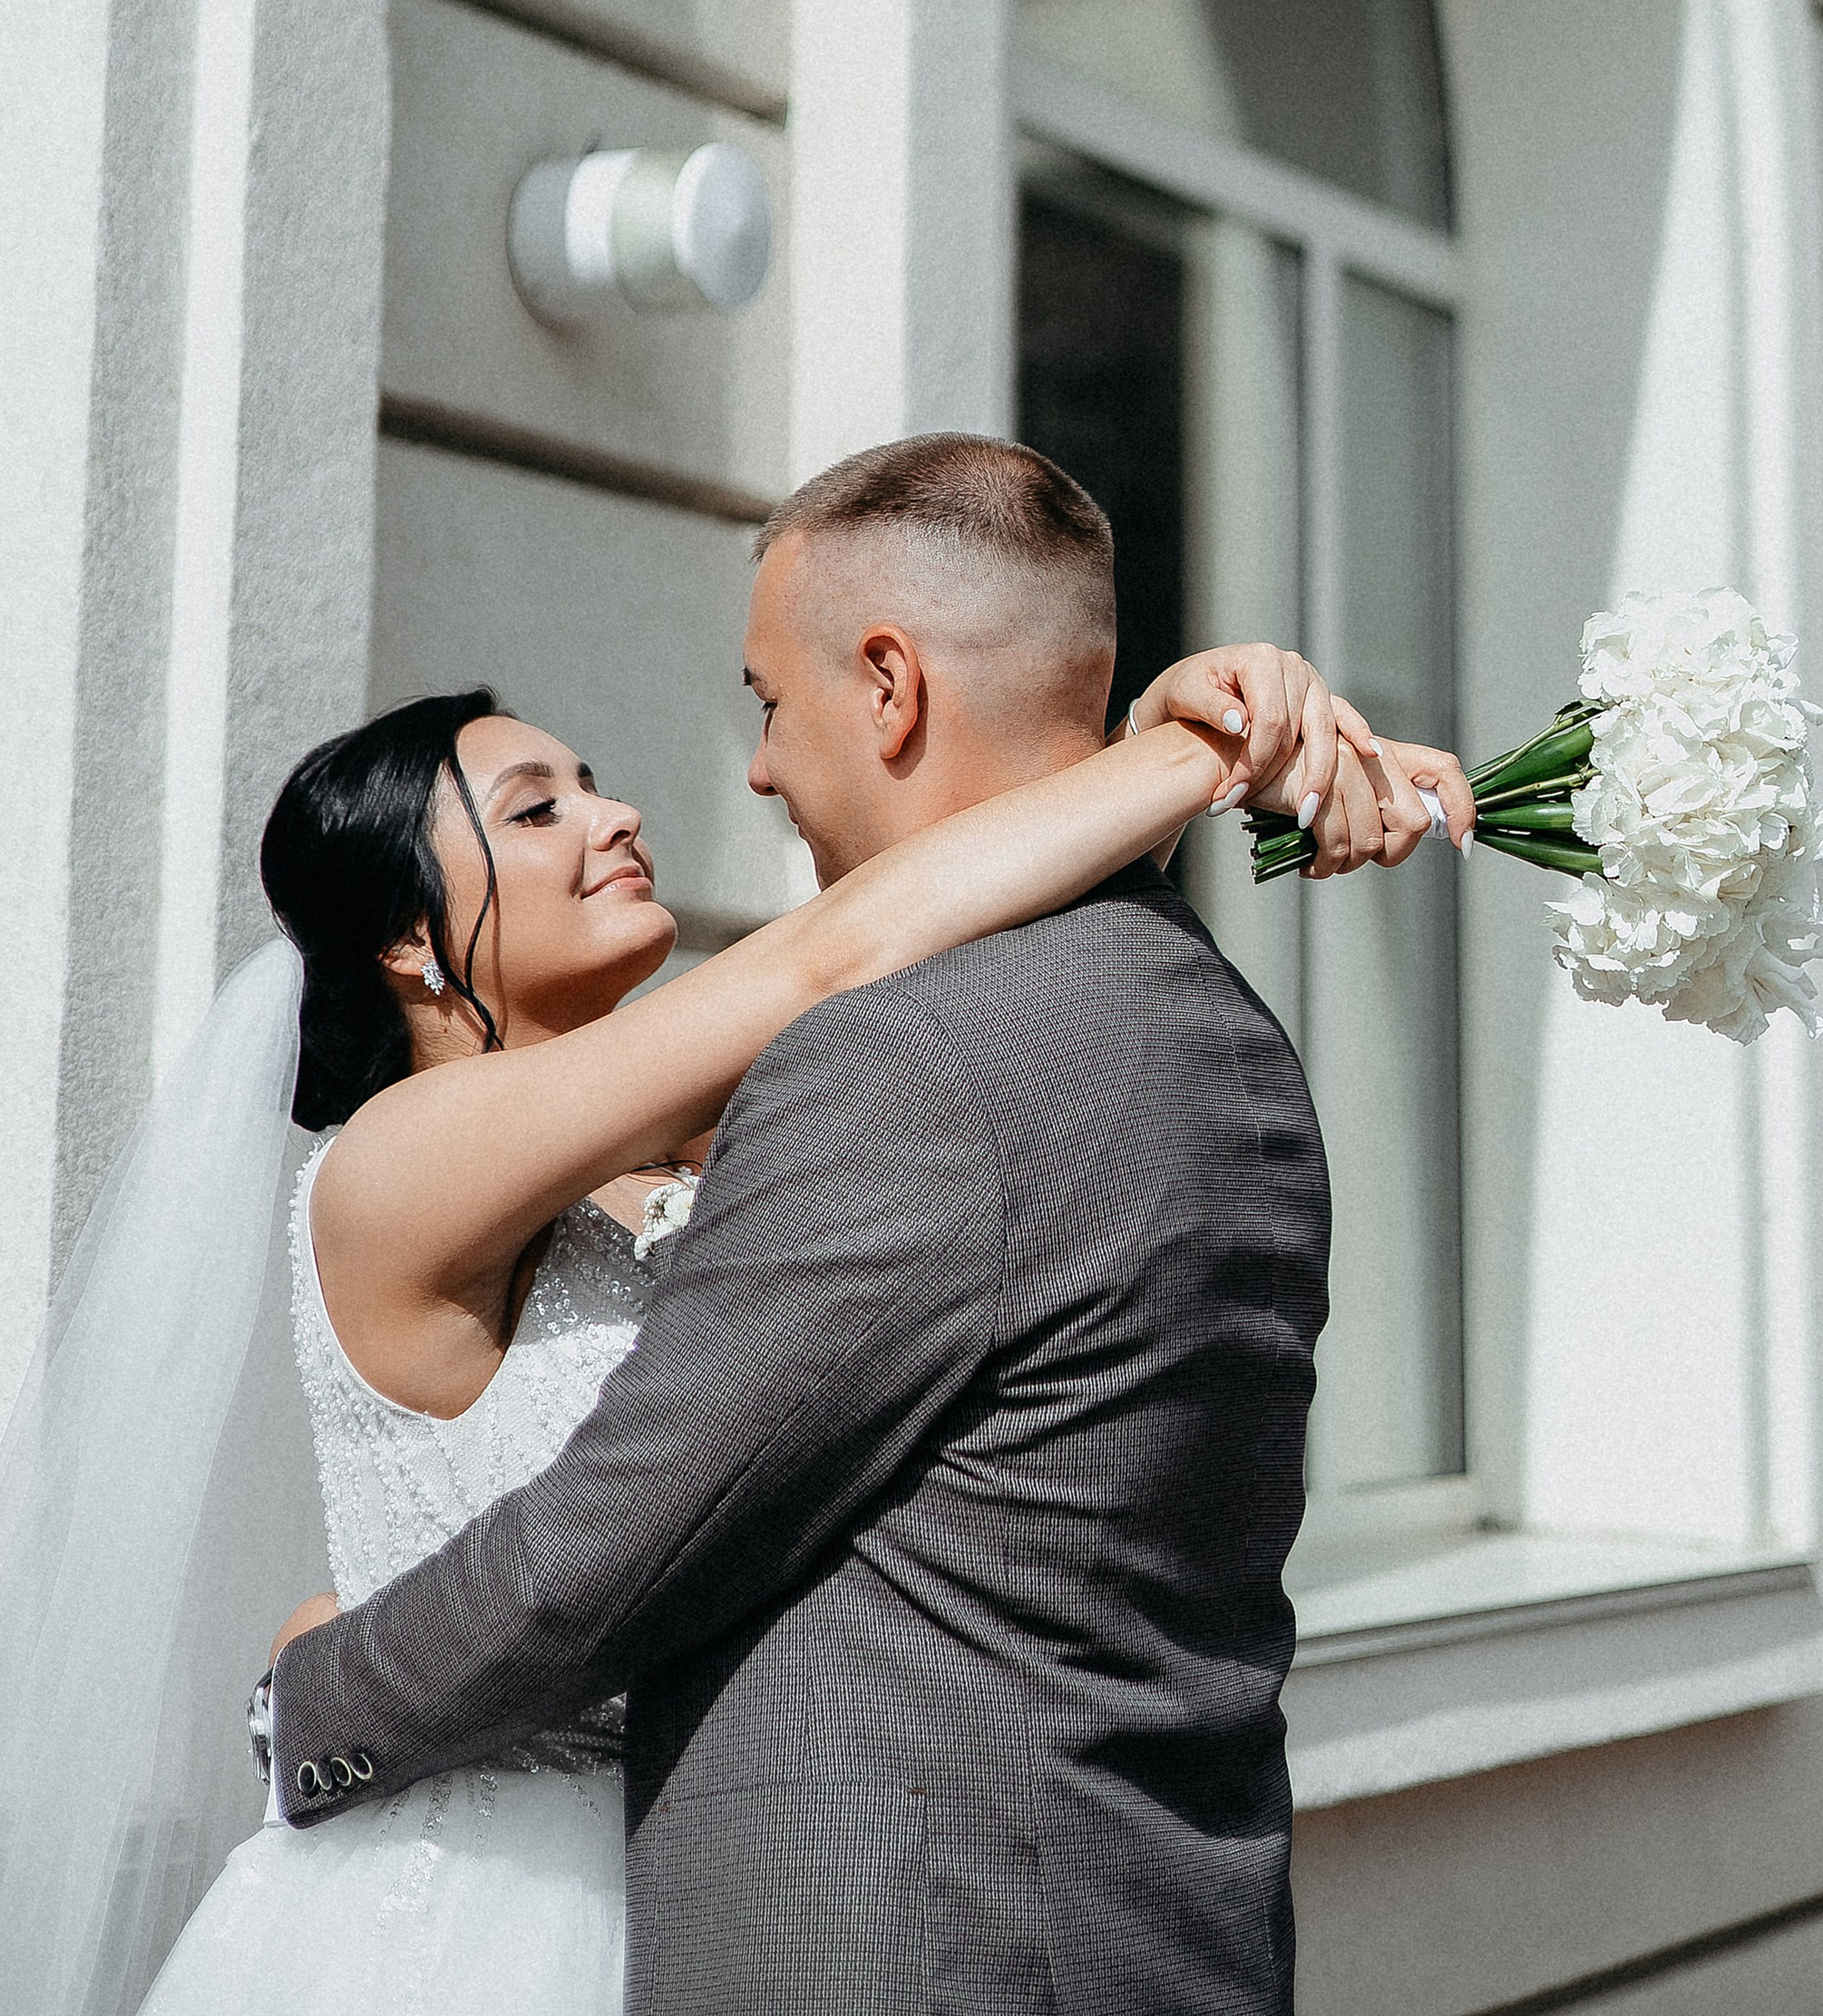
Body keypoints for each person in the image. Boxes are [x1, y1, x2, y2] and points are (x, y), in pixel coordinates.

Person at [258, 435, 1470, 2016]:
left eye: (768, 703)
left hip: (873, 1929)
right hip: (570, 1896)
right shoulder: (1206, 1025)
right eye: (536, 807)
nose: (730, 780)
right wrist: (1190, 745)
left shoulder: (890, 1073)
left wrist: (312, 1705)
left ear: (888, 686)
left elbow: (614, 1541)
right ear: (412, 943)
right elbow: (835, 955)